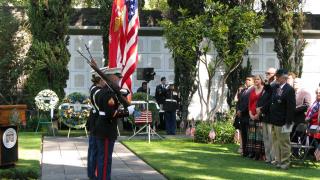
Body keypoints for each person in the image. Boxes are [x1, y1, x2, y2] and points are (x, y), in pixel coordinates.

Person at [94, 67, 133, 180]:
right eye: (117, 78)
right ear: (111, 77)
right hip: (106, 130)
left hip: (103, 128)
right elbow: (110, 113)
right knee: (105, 159)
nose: (118, 80)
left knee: (103, 158)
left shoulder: (106, 91)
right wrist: (127, 112)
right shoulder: (109, 94)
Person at [269, 69, 296, 170]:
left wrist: (288, 123)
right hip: (275, 120)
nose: (276, 78)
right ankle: (278, 161)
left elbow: (291, 108)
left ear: (284, 77)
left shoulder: (289, 90)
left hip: (284, 122)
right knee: (276, 143)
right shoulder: (276, 87)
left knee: (284, 143)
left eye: (278, 77)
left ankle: (285, 163)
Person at [256, 67, 276, 163]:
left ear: (274, 74)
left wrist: (262, 109)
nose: (267, 74)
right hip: (264, 115)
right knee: (266, 138)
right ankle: (268, 158)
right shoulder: (268, 85)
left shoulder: (275, 85)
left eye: (269, 73)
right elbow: (262, 99)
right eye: (266, 73)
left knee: (271, 139)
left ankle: (273, 158)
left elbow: (270, 101)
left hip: (271, 115)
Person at [87, 74, 105, 179]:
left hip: (94, 120)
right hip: (96, 122)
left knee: (93, 150)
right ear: (100, 80)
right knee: (94, 150)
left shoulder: (94, 88)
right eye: (104, 79)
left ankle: (91, 174)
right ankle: (92, 175)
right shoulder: (97, 90)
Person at [247, 75, 265, 160]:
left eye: (258, 79)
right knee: (252, 135)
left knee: (259, 135)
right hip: (252, 115)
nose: (256, 81)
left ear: (261, 80)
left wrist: (258, 114)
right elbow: (250, 103)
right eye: (255, 79)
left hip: (260, 115)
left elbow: (264, 103)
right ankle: (252, 152)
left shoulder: (264, 90)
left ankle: (259, 154)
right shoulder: (252, 90)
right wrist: (250, 114)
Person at [236, 75, 254, 157]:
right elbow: (239, 102)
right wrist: (238, 110)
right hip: (241, 116)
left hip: (248, 115)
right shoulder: (243, 91)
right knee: (243, 134)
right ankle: (244, 151)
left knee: (249, 134)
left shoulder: (253, 90)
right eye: (246, 79)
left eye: (249, 80)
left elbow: (249, 104)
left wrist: (242, 111)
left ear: (253, 81)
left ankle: (249, 151)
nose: (247, 81)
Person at [291, 78, 311, 143]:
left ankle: (301, 152)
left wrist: (295, 109)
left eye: (296, 82)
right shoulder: (291, 92)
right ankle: (293, 153)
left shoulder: (305, 93)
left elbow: (307, 105)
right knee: (291, 139)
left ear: (300, 84)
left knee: (300, 139)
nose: (294, 83)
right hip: (291, 120)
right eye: (294, 82)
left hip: (300, 121)